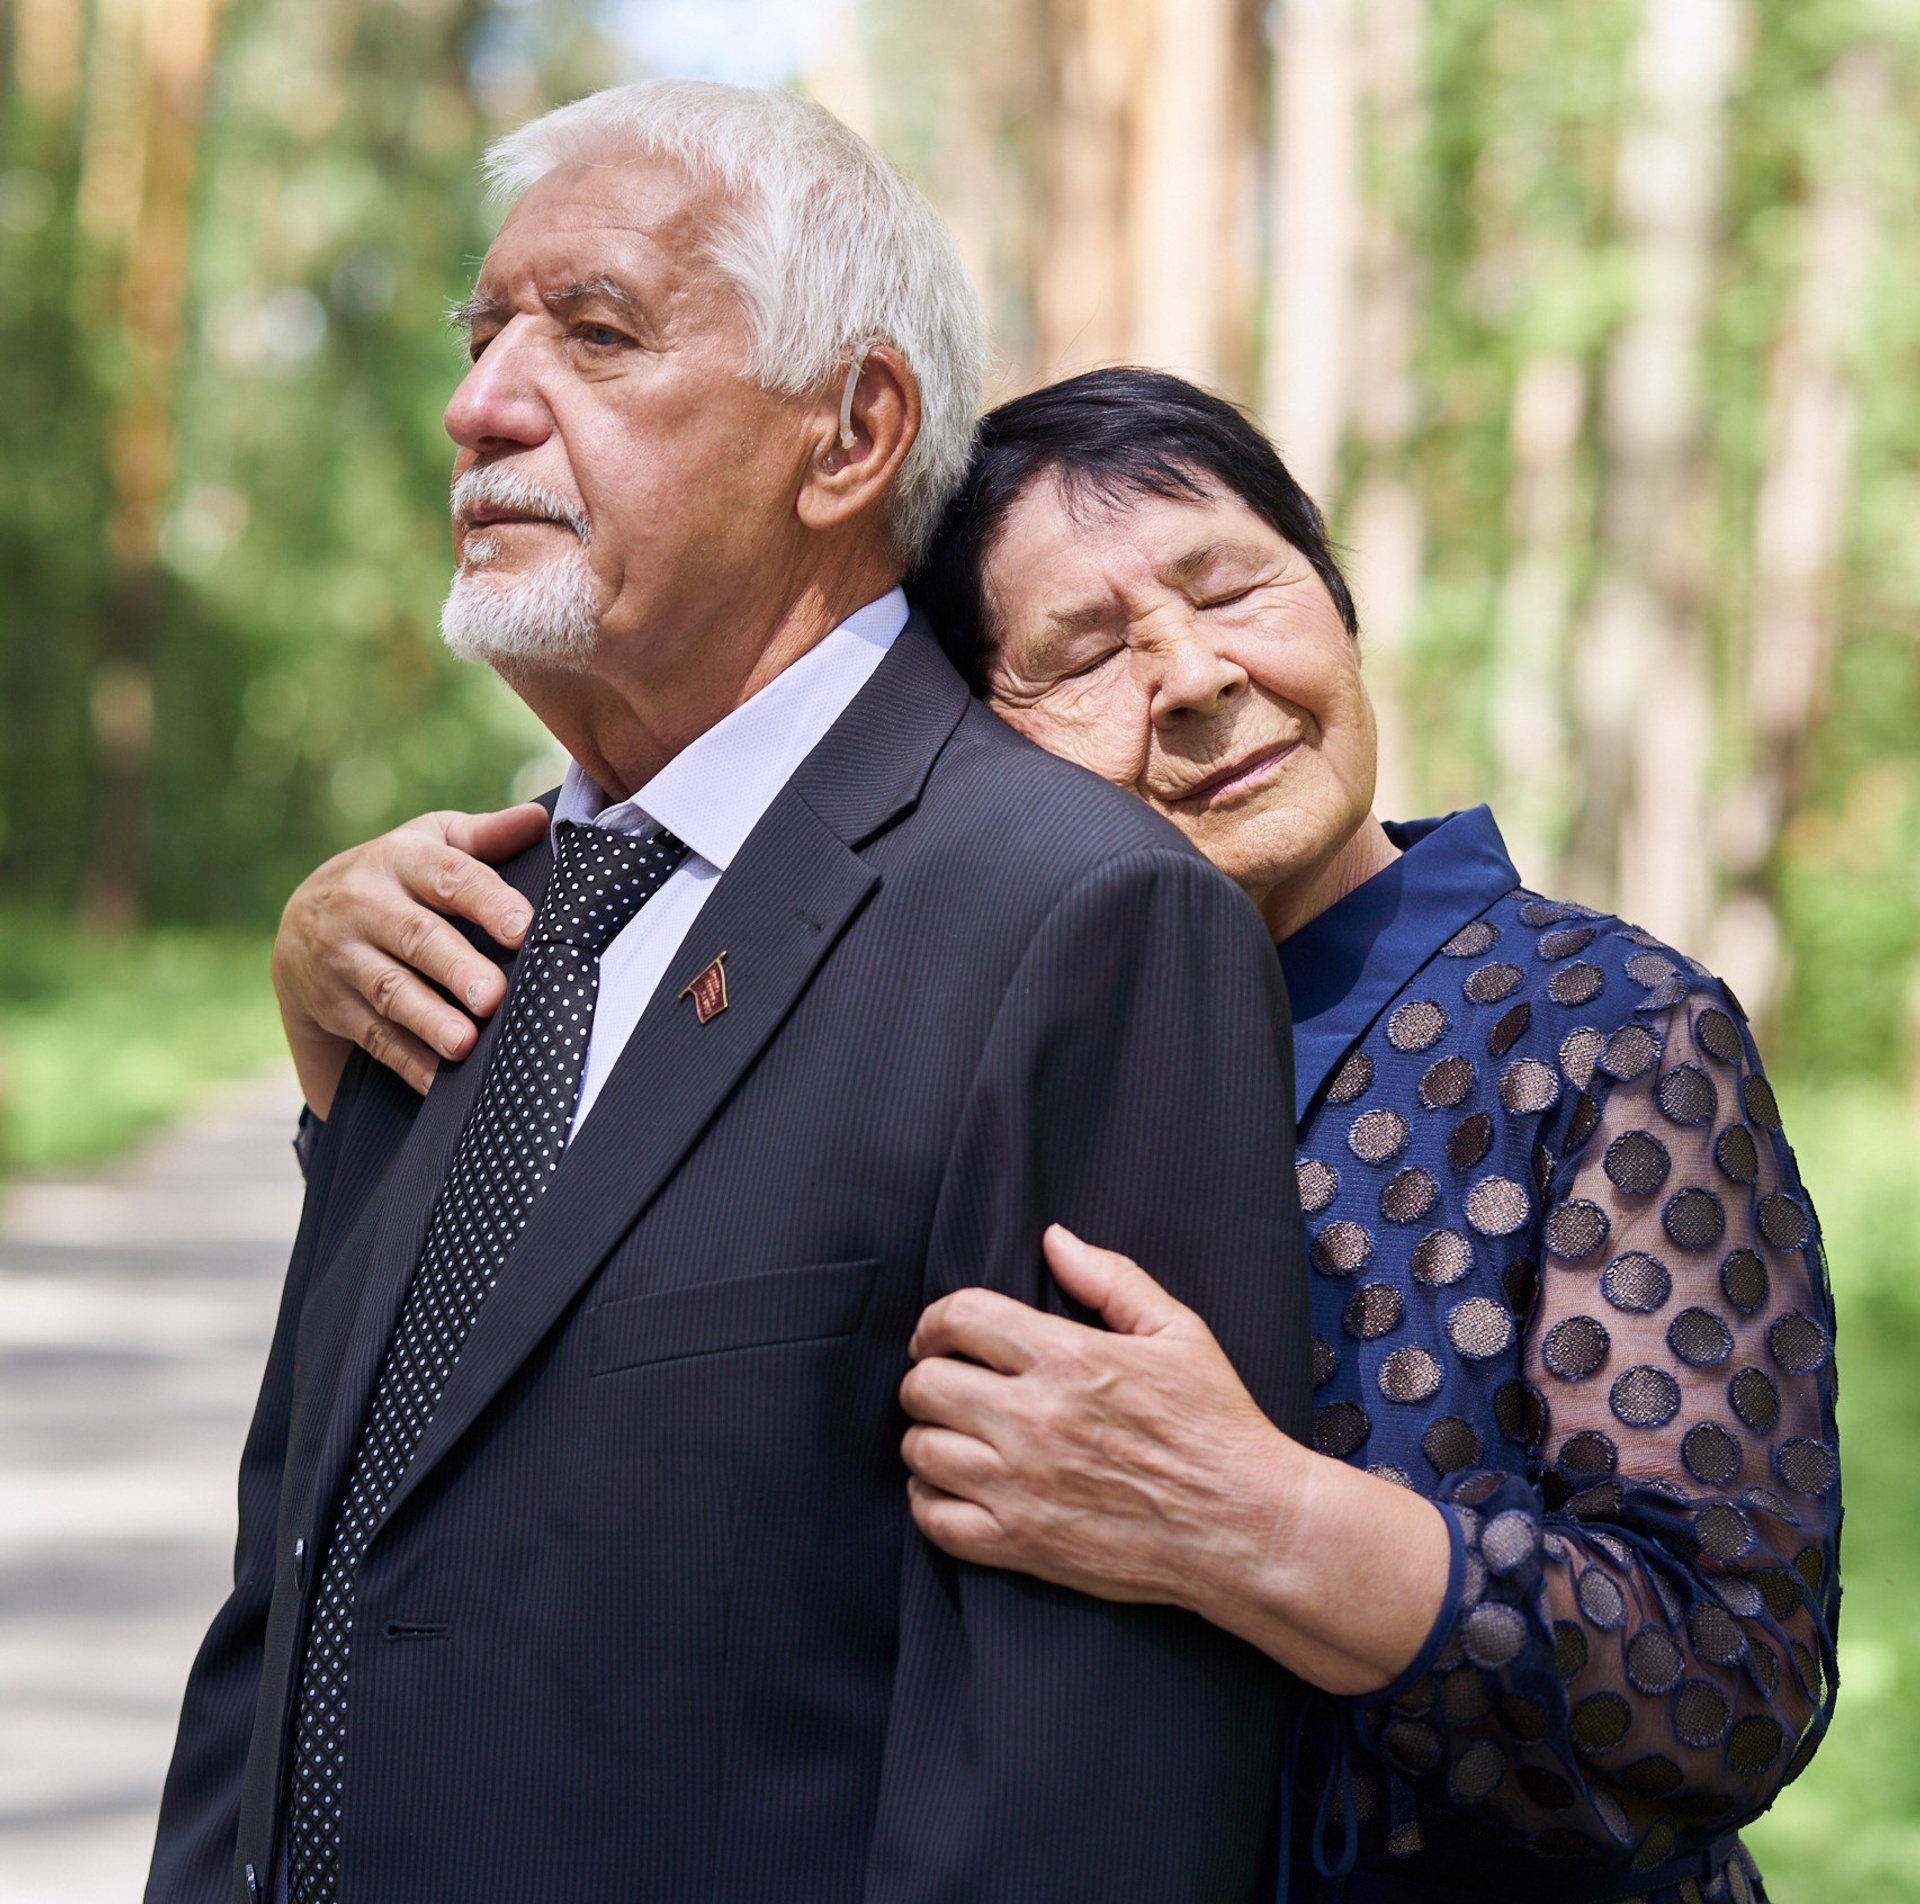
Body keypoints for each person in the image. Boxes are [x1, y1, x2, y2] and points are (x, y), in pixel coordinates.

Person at [282, 367, 1840, 1904]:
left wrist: (1254, 1519)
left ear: (1337, 595)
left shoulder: (1600, 1031)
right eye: (1084, 653)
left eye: (1233, 589)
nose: (1197, 676)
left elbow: (1728, 1675)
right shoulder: (920, 1035)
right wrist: (338, 1049)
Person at [148, 94, 1315, 1904]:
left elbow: (1080, 1781)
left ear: (851, 434)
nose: (482, 405)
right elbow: (299, 1574)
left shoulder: (1077, 921)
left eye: (596, 333)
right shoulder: (442, 921)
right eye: (482, 336)